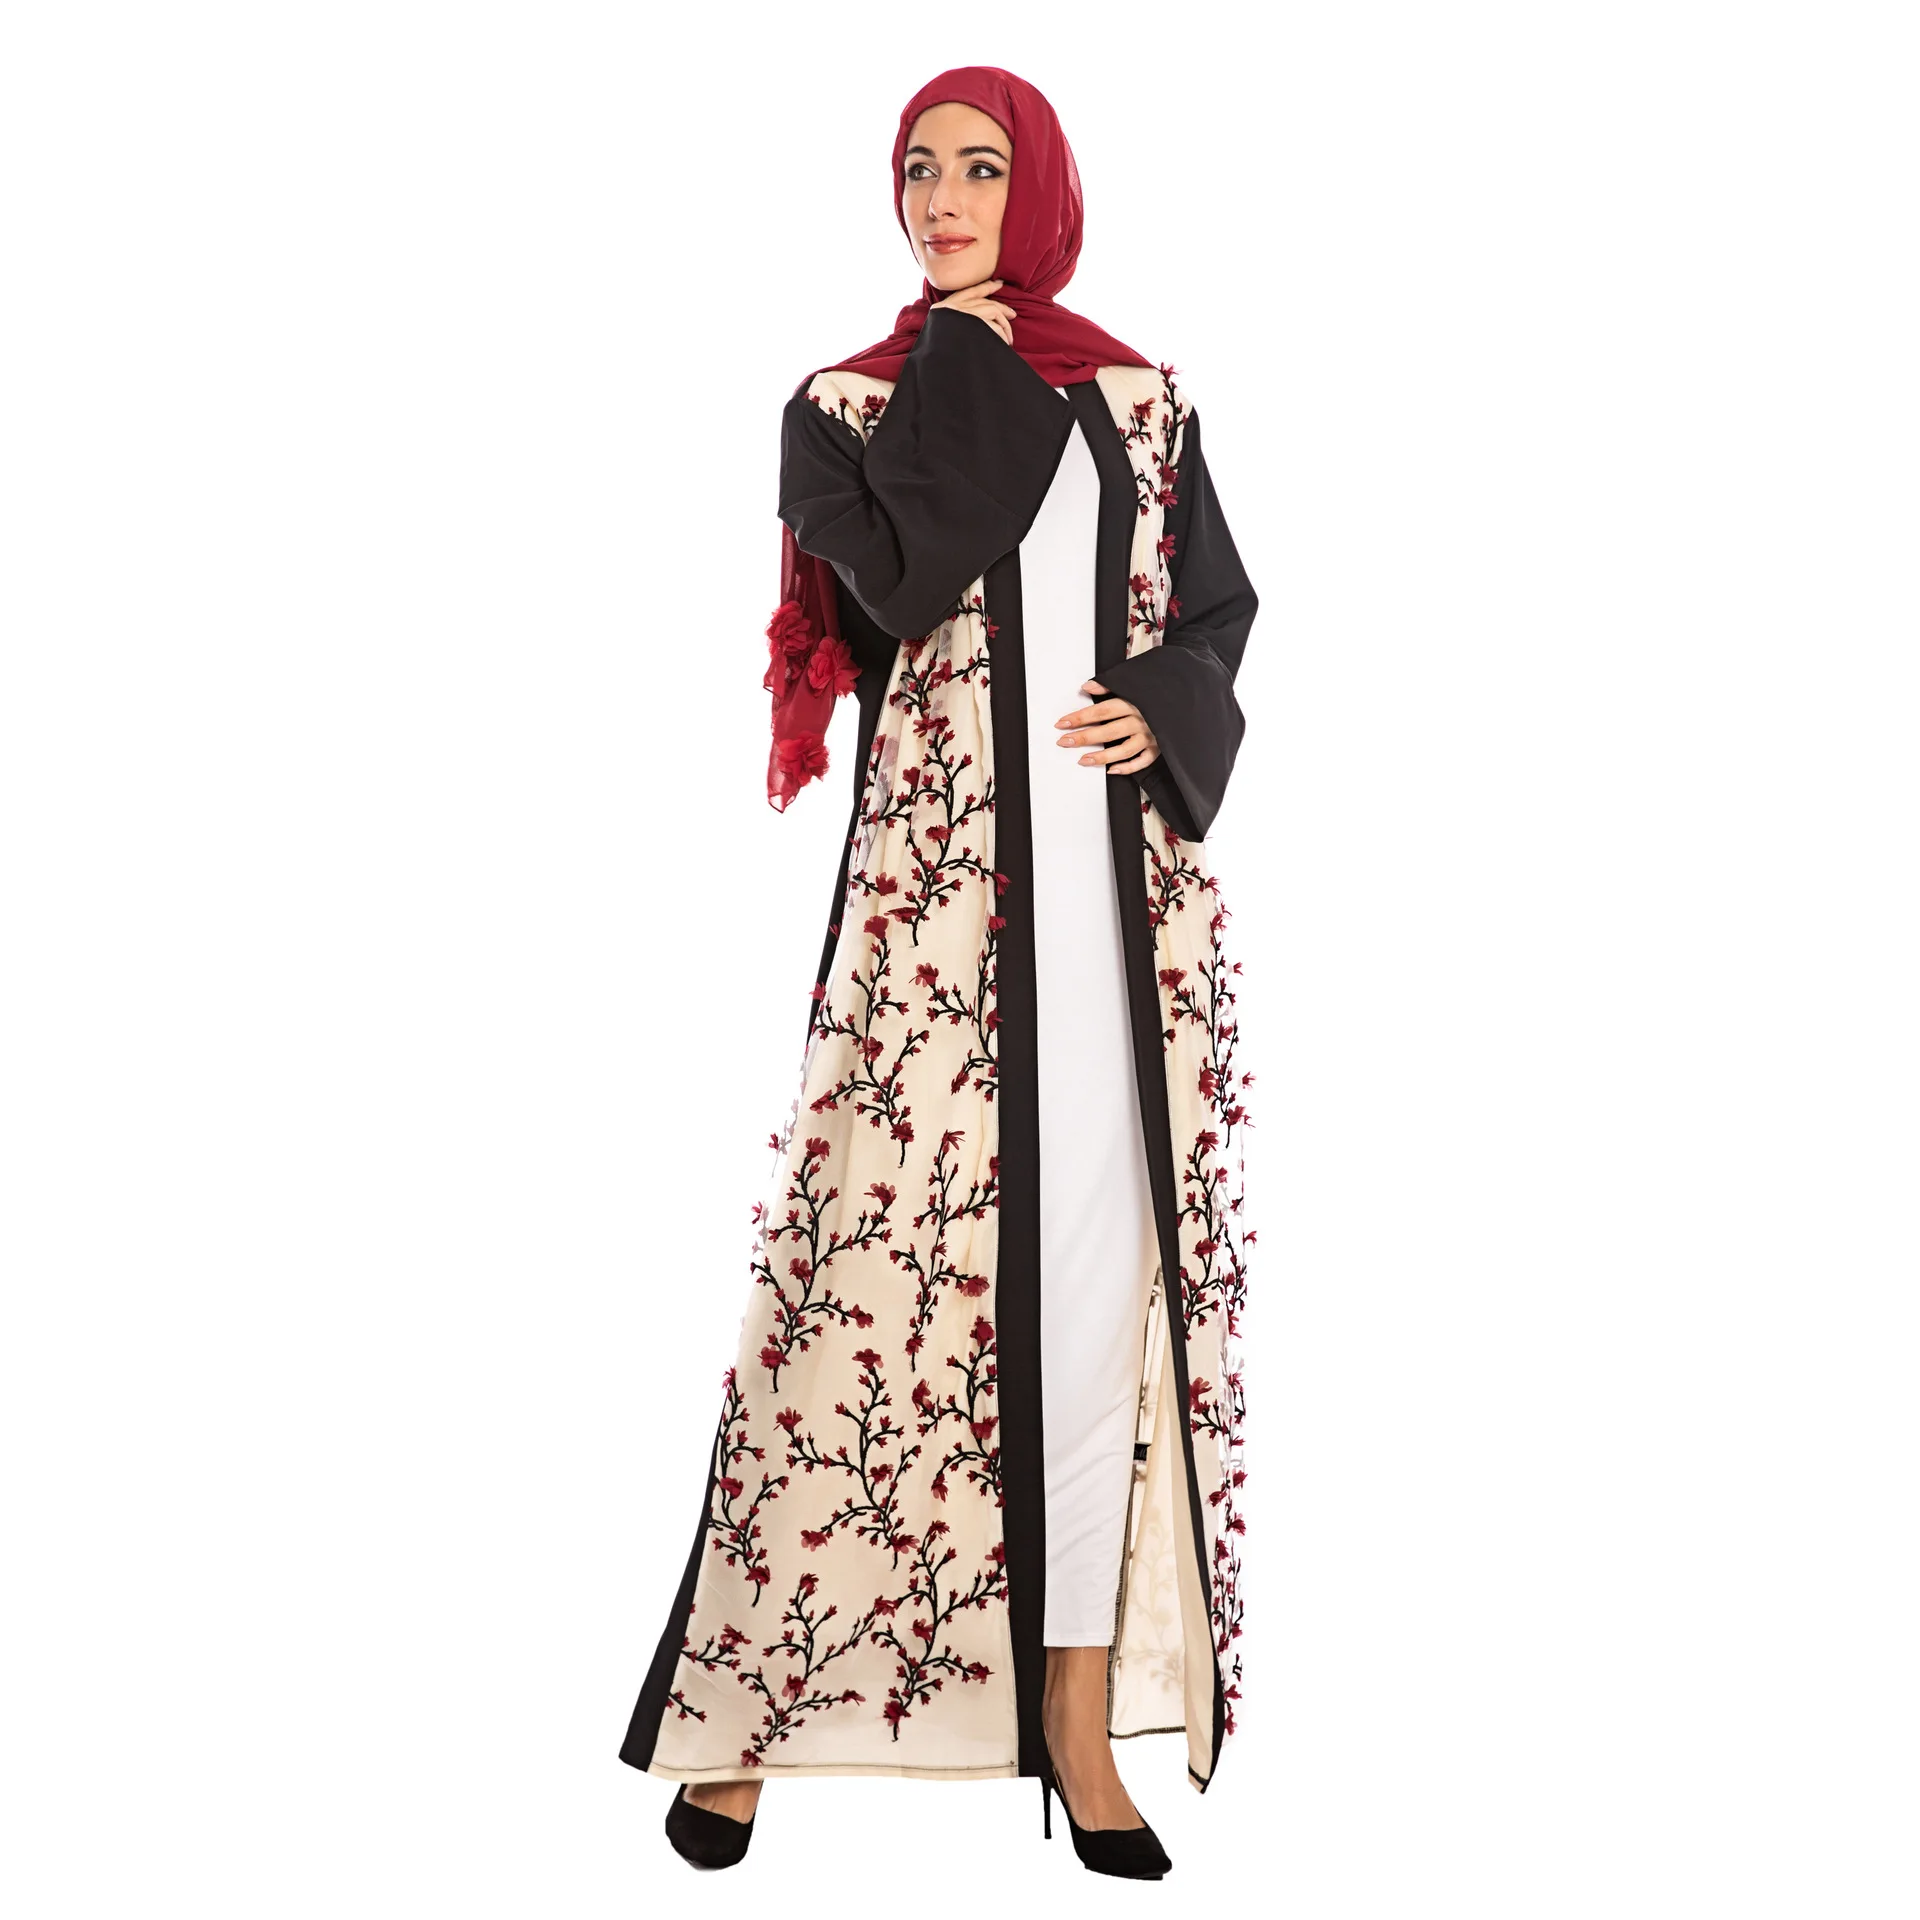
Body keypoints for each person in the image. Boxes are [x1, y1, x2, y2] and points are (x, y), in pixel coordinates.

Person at [620, 65, 1259, 1882]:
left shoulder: (1139, 403)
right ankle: (749, 1711)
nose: (947, 197)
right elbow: (903, 577)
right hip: (935, 916)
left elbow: (1214, 611)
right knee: (860, 1281)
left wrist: (1168, 705)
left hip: (1120, 919)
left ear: (1041, 186)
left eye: (984, 167)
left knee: (1093, 1300)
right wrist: (969, 358)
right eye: (921, 169)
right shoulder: (840, 411)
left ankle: (1078, 1724)